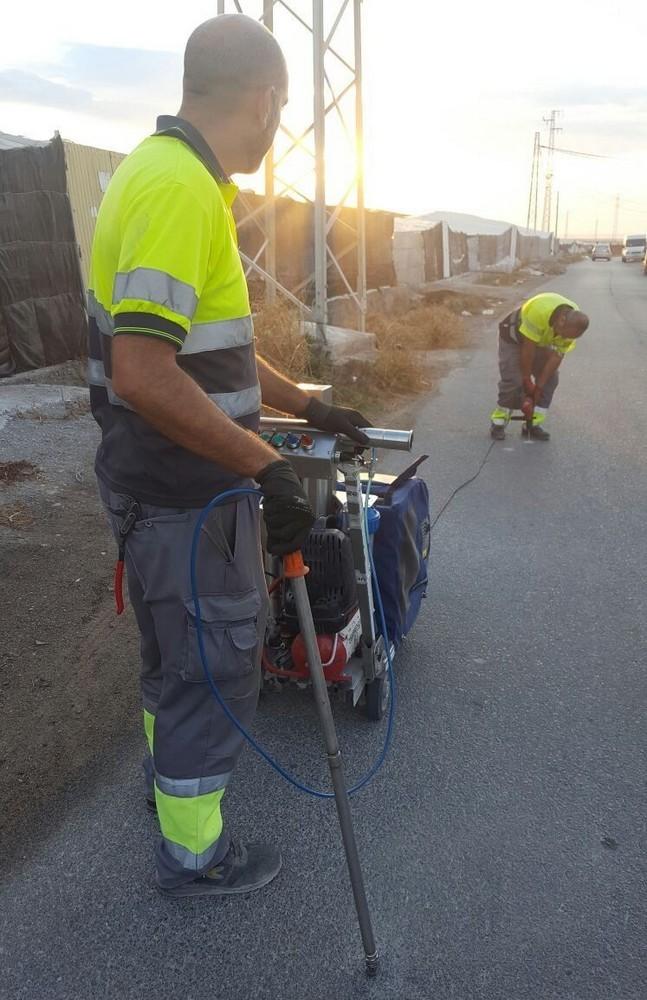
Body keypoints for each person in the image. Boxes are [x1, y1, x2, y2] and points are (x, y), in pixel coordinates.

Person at [86, 14, 370, 899]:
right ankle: (192, 853)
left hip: (155, 488)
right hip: (188, 498)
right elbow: (142, 372)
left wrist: (305, 404)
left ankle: (166, 791)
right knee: (213, 668)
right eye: (280, 110)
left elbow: (213, 353)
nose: (277, 126)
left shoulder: (158, 173)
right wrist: (264, 465)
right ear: (265, 97)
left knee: (174, 659)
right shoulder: (178, 190)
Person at [489, 291, 589, 440]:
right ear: (561, 320)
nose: (563, 339)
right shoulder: (540, 311)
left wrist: (539, 388)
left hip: (541, 341)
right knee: (514, 381)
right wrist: (527, 379)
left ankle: (533, 423)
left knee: (551, 379)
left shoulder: (572, 326)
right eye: (562, 334)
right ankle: (498, 421)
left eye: (567, 338)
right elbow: (528, 349)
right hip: (513, 338)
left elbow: (556, 357)